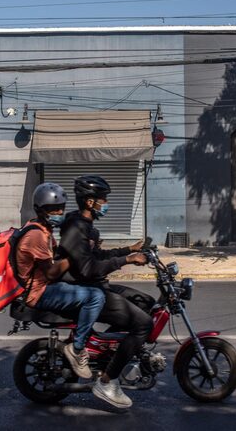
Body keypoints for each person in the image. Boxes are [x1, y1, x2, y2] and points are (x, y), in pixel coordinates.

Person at [58, 175, 156, 409]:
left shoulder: (86, 226)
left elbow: (97, 257)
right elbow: (88, 268)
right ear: (90, 202)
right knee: (143, 324)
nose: (106, 203)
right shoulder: (75, 228)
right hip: (85, 289)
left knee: (144, 301)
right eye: (103, 199)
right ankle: (108, 381)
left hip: (96, 284)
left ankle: (108, 353)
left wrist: (128, 249)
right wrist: (127, 259)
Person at [15, 182, 106, 380]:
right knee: (95, 297)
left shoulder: (43, 230)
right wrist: (78, 253)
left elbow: (54, 260)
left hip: (44, 286)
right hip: (38, 293)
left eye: (61, 208)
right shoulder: (36, 235)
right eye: (52, 209)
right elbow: (51, 273)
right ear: (40, 210)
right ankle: (77, 348)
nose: (59, 212)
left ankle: (89, 340)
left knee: (91, 287)